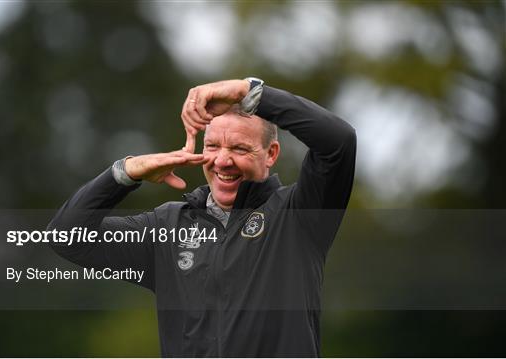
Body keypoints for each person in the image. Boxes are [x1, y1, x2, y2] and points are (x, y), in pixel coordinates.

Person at [48, 78, 356, 357]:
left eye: (239, 148)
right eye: (212, 146)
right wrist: (124, 174)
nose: (223, 160)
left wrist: (248, 91)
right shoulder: (167, 228)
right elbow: (66, 237)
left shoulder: (299, 215)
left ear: (271, 154)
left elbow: (338, 141)